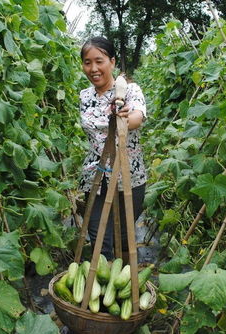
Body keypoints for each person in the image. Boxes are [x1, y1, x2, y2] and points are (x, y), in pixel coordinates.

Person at [78, 37, 147, 262]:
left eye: (99, 61)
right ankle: (100, 278)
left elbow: (138, 115)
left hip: (128, 175)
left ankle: (125, 282)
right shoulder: (84, 96)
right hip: (95, 176)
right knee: (98, 236)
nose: (94, 68)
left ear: (112, 62)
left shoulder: (128, 91)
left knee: (125, 238)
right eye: (87, 62)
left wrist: (126, 118)